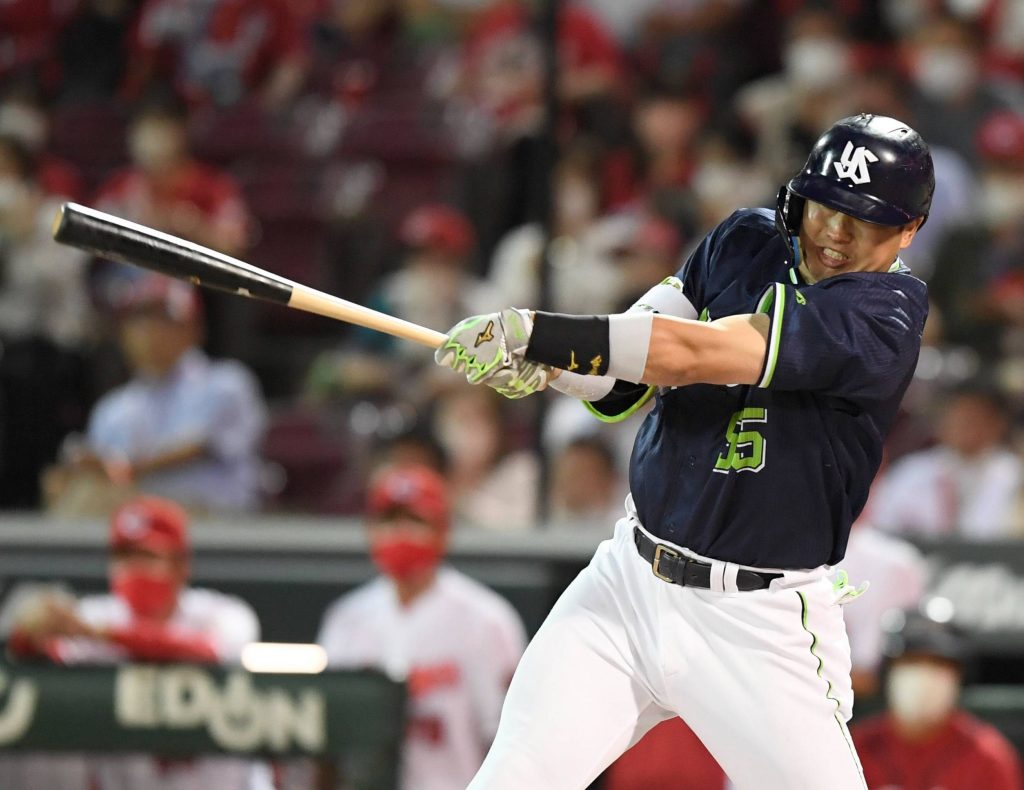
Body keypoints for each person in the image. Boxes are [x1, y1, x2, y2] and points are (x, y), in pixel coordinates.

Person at [433, 113, 934, 789]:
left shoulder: (886, 314)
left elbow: (697, 353)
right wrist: (550, 363)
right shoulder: (744, 240)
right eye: (826, 207)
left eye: (866, 219)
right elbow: (632, 356)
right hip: (628, 587)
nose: (837, 234)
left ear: (908, 230)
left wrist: (544, 334)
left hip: (758, 622)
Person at [4, 495, 263, 790]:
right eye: (124, 557)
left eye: (147, 556)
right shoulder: (95, 614)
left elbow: (209, 651)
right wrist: (30, 636)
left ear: (181, 565)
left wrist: (101, 634)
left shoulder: (224, 612)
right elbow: (41, 662)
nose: (133, 568)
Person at [316, 464, 527, 790]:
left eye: (415, 520)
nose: (400, 532)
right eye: (388, 520)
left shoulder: (486, 620)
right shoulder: (346, 618)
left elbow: (511, 743)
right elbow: (325, 740)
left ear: (443, 531)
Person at [43, 275, 267, 515]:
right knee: (71, 488)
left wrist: (122, 468)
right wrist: (74, 473)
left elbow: (197, 447)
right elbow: (100, 470)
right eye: (136, 322)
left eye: (161, 319)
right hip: (137, 522)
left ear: (194, 328)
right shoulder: (114, 406)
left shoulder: (226, 382)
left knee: (91, 498)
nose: (147, 333)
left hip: (217, 524)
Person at [853, 610, 1023, 790]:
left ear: (958, 677)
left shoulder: (987, 756)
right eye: (911, 662)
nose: (923, 678)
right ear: (888, 672)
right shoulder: (857, 748)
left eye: (938, 664)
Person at [870, 385, 1022, 540]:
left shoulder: (1014, 475)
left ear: (999, 423)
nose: (966, 426)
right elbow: (879, 528)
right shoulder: (911, 471)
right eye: (960, 416)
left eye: (976, 417)